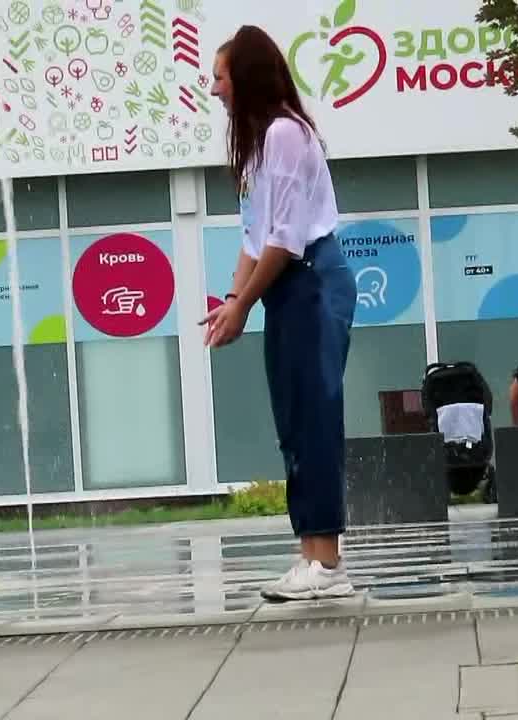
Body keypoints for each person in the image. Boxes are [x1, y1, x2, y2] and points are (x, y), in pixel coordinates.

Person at [202, 26, 356, 601]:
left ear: (246, 77)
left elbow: (286, 239)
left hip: (312, 280)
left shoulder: (286, 133)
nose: (214, 90)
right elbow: (254, 237)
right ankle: (311, 555)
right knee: (294, 419)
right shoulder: (259, 144)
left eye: (220, 77)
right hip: (288, 287)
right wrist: (232, 302)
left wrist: (243, 304)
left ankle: (328, 563)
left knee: (315, 417)